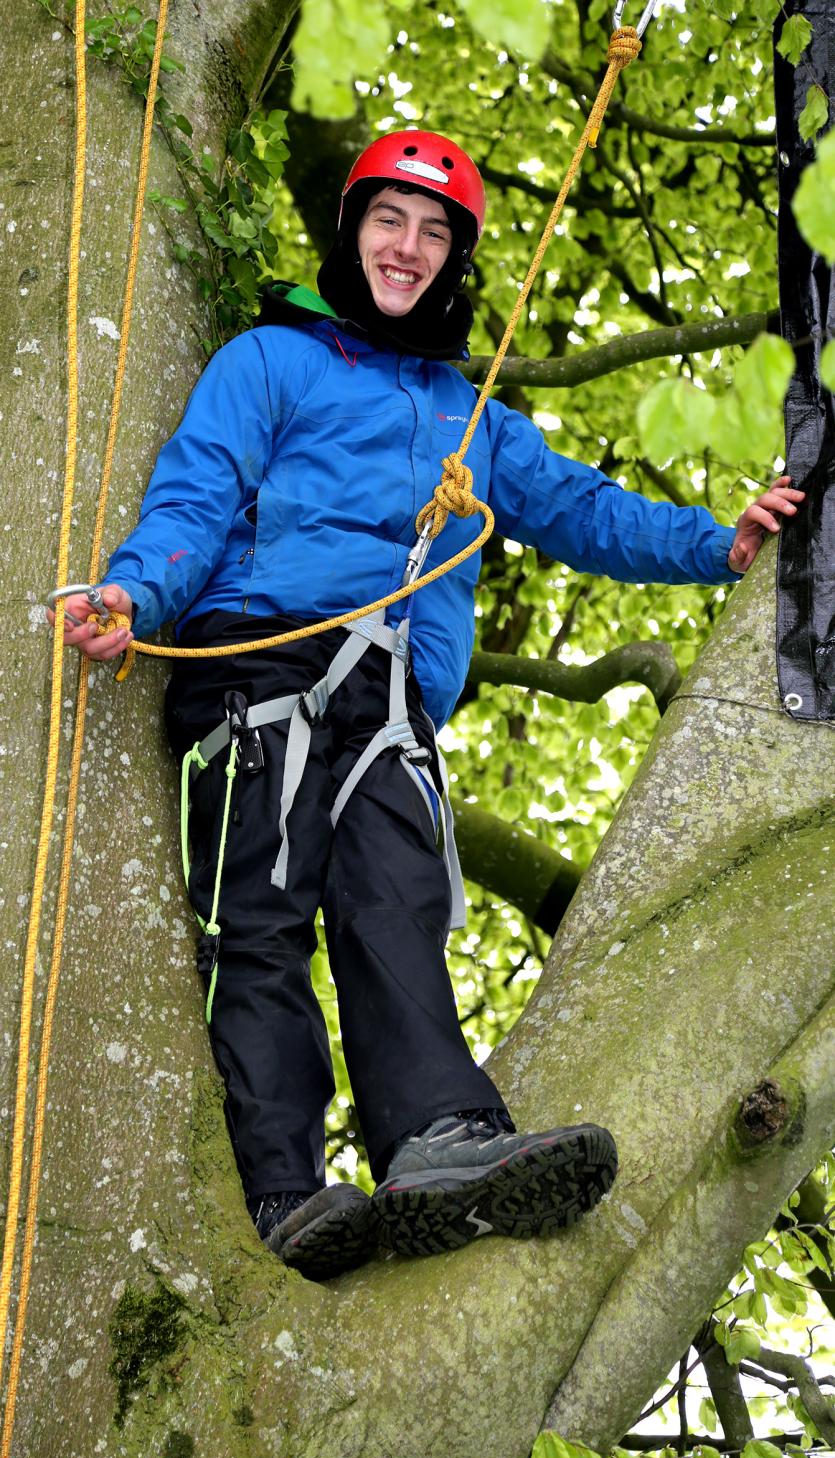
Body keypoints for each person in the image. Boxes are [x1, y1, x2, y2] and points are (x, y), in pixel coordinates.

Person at [53, 131, 804, 1281]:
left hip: (391, 699)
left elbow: (581, 508)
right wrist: (129, 594)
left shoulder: (476, 419)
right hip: (259, 666)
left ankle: (436, 1138)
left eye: (433, 229)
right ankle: (283, 1188)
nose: (407, 246)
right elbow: (197, 496)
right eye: (387, 220)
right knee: (257, 924)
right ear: (351, 233)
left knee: (394, 911)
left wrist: (718, 544)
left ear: (455, 259)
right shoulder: (271, 361)